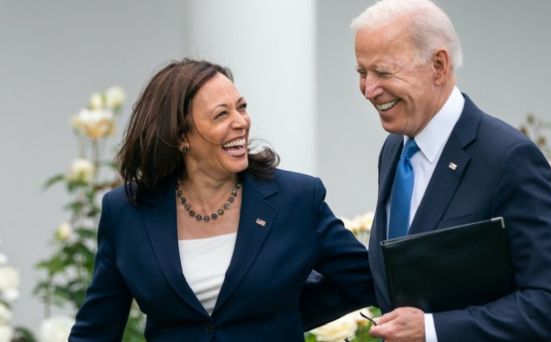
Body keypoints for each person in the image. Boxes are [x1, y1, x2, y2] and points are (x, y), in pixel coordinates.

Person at [69, 58, 375, 341]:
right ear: (181, 137)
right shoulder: (126, 211)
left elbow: (367, 281)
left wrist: (286, 313)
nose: (241, 122)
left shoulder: (297, 199)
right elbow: (97, 329)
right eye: (221, 114)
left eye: (241, 108)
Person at [351, 0, 551, 341]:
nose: (369, 89)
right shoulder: (395, 149)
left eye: (384, 72)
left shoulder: (507, 158)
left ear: (439, 65)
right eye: (362, 72)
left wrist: (432, 330)